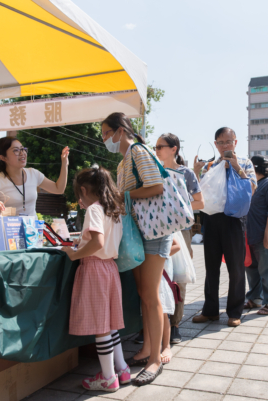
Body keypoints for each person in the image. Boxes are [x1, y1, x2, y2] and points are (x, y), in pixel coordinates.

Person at [101, 112, 170, 385]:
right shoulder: (124, 160)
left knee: (151, 295)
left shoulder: (138, 151)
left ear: (120, 131)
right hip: (139, 232)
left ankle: (155, 360)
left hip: (154, 231)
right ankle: (149, 350)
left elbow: (157, 186)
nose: (105, 139)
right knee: (144, 294)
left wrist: (122, 195)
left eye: (106, 133)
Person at [61, 166, 129, 392]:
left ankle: (108, 378)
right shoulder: (114, 209)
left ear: (83, 190)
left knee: (101, 326)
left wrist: (73, 254)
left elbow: (97, 242)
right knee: (110, 324)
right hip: (110, 267)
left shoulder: (94, 210)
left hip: (94, 268)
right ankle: (122, 369)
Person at [192, 127, 257, 328]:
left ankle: (234, 311)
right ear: (215, 144)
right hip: (211, 219)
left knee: (236, 267)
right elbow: (199, 190)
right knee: (211, 266)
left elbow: (252, 188)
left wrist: (237, 167)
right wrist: (196, 171)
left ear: (235, 142)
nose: (224, 146)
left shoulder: (245, 162)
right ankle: (210, 311)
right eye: (220, 142)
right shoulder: (210, 165)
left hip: (234, 220)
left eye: (228, 141)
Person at [154, 133, 204, 344]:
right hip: (154, 229)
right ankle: (152, 324)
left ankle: (174, 325)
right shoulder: (152, 171)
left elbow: (200, 203)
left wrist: (178, 210)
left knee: (178, 276)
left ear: (174, 149)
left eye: (160, 147)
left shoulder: (186, 174)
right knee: (154, 276)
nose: (155, 150)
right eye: (154, 147)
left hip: (180, 230)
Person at [0, 137, 69, 216]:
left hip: (32, 231)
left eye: (23, 149)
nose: (22, 153)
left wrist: (64, 163)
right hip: (8, 231)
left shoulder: (34, 174)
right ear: (3, 157)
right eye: (16, 150)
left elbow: (59, 189)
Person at [244, 156, 268, 315]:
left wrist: (267, 234)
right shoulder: (252, 183)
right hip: (251, 234)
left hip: (266, 234)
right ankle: (255, 299)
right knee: (252, 269)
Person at [157, 237, 181, 364]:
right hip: (150, 266)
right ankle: (152, 345)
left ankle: (166, 346)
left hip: (161, 269)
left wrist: (159, 255)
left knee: (163, 310)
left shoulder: (162, 223)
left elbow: (177, 246)